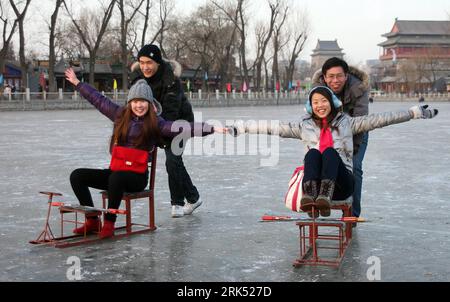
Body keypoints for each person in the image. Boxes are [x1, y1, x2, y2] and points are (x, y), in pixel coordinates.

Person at [227, 85, 438, 218]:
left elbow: (380, 119)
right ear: (311, 106)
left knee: (329, 153)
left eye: (324, 101)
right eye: (315, 102)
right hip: (315, 188)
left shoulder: (347, 123)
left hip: (342, 183)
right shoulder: (304, 126)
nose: (320, 105)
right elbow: (272, 127)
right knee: (312, 154)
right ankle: (311, 197)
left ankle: (324, 197)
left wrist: (413, 113)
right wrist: (242, 127)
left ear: (332, 103)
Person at [64, 68, 226, 239]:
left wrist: (211, 128)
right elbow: (98, 99)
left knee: (116, 178)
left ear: (150, 103)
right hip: (116, 171)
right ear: (130, 102)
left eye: (143, 101)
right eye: (135, 101)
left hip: (137, 177)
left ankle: (109, 223)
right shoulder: (119, 115)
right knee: (77, 176)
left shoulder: (157, 123)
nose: (139, 105)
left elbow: (183, 127)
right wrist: (77, 83)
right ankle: (92, 221)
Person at [130, 44, 201, 218]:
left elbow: (171, 111)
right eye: (142, 62)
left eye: (149, 62)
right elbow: (134, 103)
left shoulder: (171, 80)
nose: (145, 66)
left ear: (158, 63)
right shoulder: (138, 78)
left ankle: (177, 203)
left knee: (172, 160)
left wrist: (158, 132)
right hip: (154, 123)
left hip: (179, 122)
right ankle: (193, 197)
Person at [313, 57, 369, 218]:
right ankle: (316, 202)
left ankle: (353, 214)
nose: (335, 80)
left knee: (355, 168)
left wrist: (351, 152)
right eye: (331, 76)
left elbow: (362, 122)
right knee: (317, 163)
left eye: (339, 76)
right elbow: (313, 117)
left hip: (356, 132)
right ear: (324, 77)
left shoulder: (359, 87)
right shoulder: (318, 89)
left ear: (346, 76)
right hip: (328, 131)